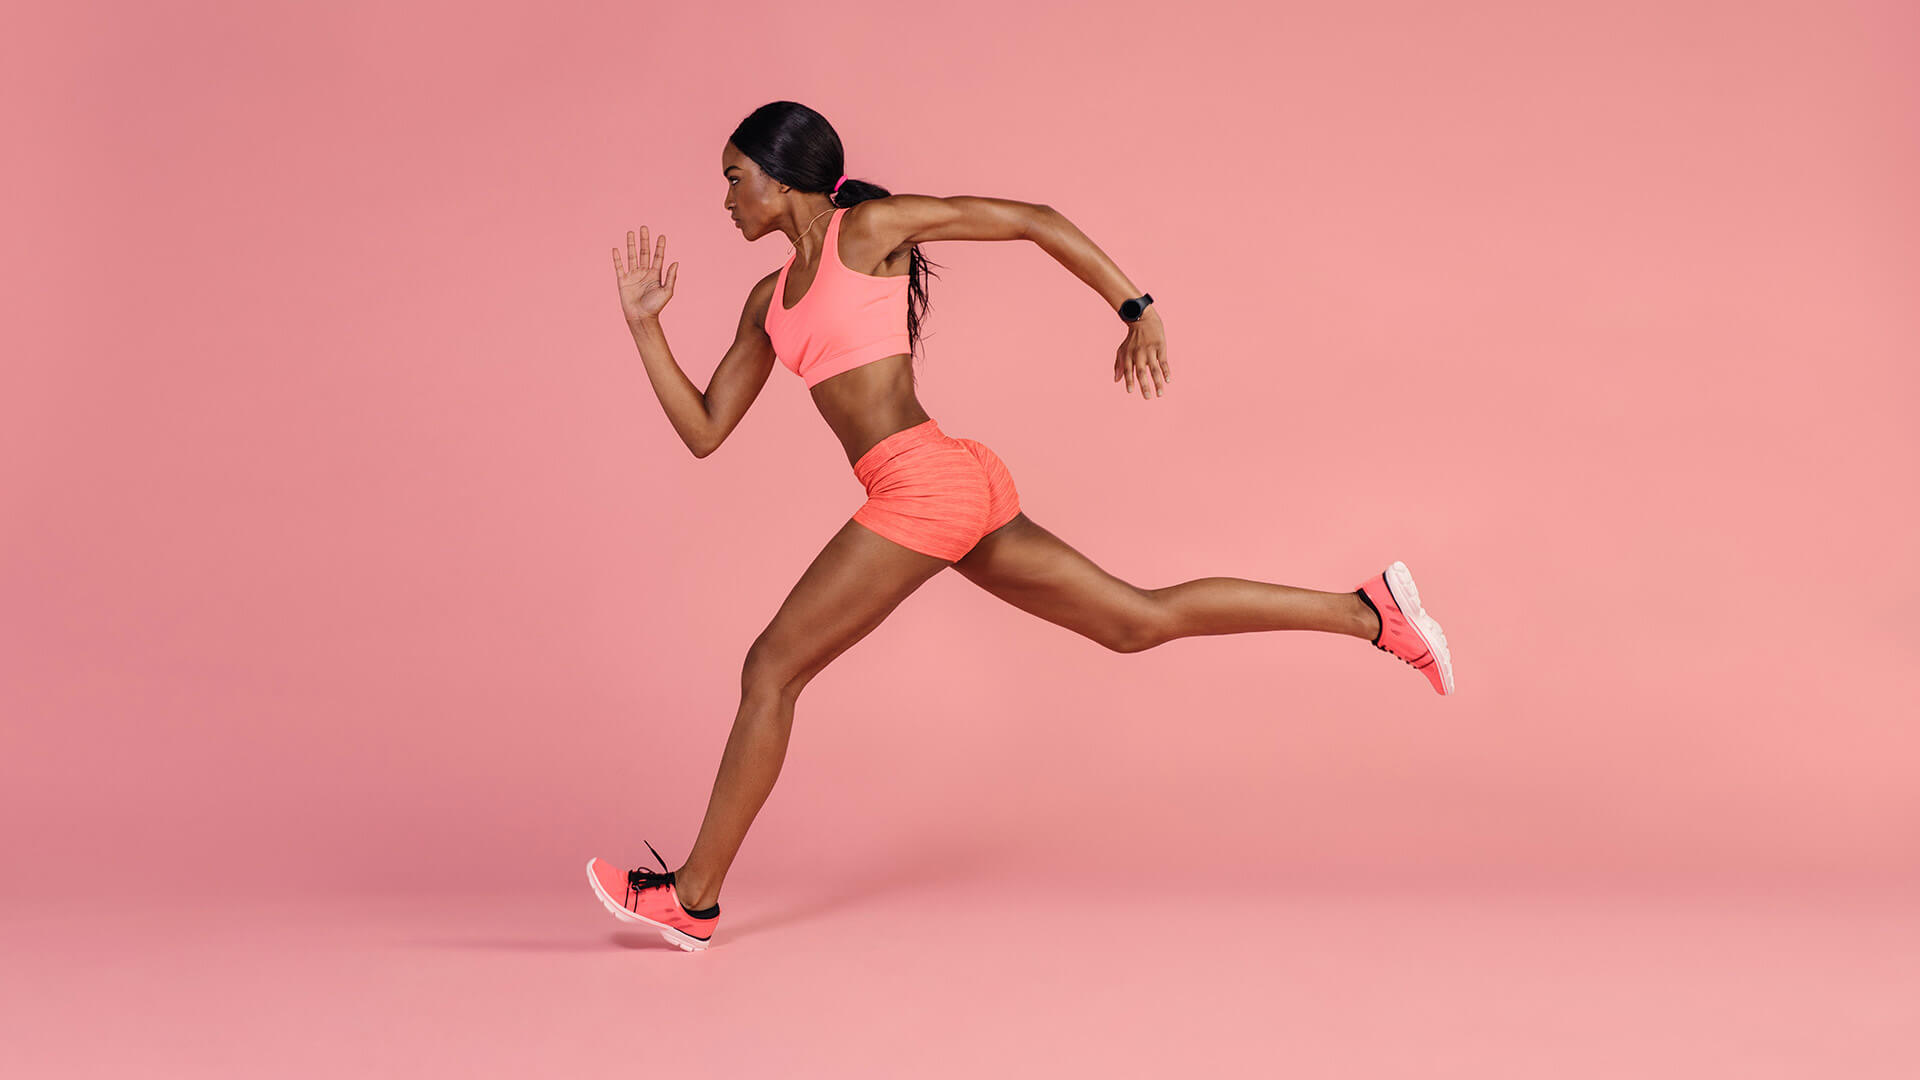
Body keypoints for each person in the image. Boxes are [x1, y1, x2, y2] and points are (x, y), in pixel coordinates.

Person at [586, 101, 1453, 951]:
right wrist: (644, 327)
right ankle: (1372, 613)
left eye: (734, 178)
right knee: (1135, 620)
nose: (726, 199)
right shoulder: (765, 302)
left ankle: (692, 899)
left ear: (780, 178)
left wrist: (1137, 308)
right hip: (947, 478)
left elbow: (1032, 220)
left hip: (925, 485)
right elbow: (705, 430)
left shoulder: (870, 229)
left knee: (770, 669)